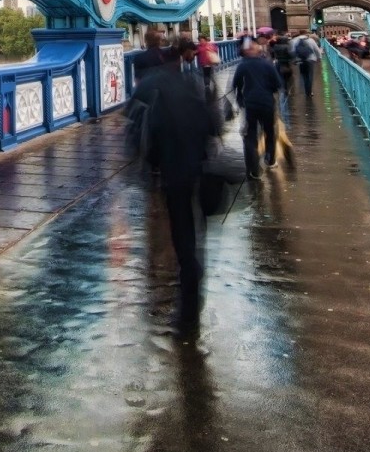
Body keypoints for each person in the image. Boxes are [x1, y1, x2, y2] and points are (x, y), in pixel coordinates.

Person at [131, 37, 220, 306]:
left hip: (170, 166)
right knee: (196, 216)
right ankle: (195, 260)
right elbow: (212, 122)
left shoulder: (149, 87)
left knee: (179, 216)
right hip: (196, 163)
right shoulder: (193, 84)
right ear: (179, 59)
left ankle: (186, 264)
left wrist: (149, 163)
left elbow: (140, 129)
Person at [230, 35, 284, 178]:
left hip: (250, 106)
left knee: (250, 136)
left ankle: (254, 169)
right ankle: (270, 160)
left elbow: (235, 85)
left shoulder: (242, 65)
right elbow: (278, 84)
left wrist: (240, 99)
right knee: (269, 133)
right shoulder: (267, 64)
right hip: (267, 103)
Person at [292, 30, 322, 96]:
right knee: (310, 76)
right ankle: (309, 91)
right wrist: (319, 57)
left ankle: (306, 91)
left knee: (304, 76)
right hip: (310, 60)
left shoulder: (295, 40)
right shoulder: (311, 40)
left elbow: (292, 51)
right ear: (305, 33)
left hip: (301, 60)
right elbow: (316, 49)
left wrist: (294, 59)